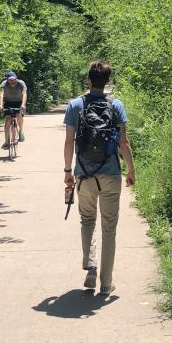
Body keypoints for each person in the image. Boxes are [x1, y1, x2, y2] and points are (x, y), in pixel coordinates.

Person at [63, 59, 135, 296]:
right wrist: (131, 170)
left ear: (88, 80)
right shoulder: (116, 106)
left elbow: (69, 141)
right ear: (108, 82)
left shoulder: (75, 105)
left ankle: (90, 265)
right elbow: (123, 143)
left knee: (87, 220)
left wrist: (67, 172)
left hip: (84, 173)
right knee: (109, 228)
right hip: (111, 172)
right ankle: (106, 283)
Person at [0, 71, 28, 149]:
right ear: (7, 79)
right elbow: (1, 95)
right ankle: (7, 141)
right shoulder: (4, 84)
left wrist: (23, 105)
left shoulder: (21, 83)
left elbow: (24, 94)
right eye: (10, 80)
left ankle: (21, 131)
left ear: (16, 78)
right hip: (8, 102)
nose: (12, 81)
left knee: (19, 115)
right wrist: (1, 105)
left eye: (14, 79)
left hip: (19, 102)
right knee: (7, 121)